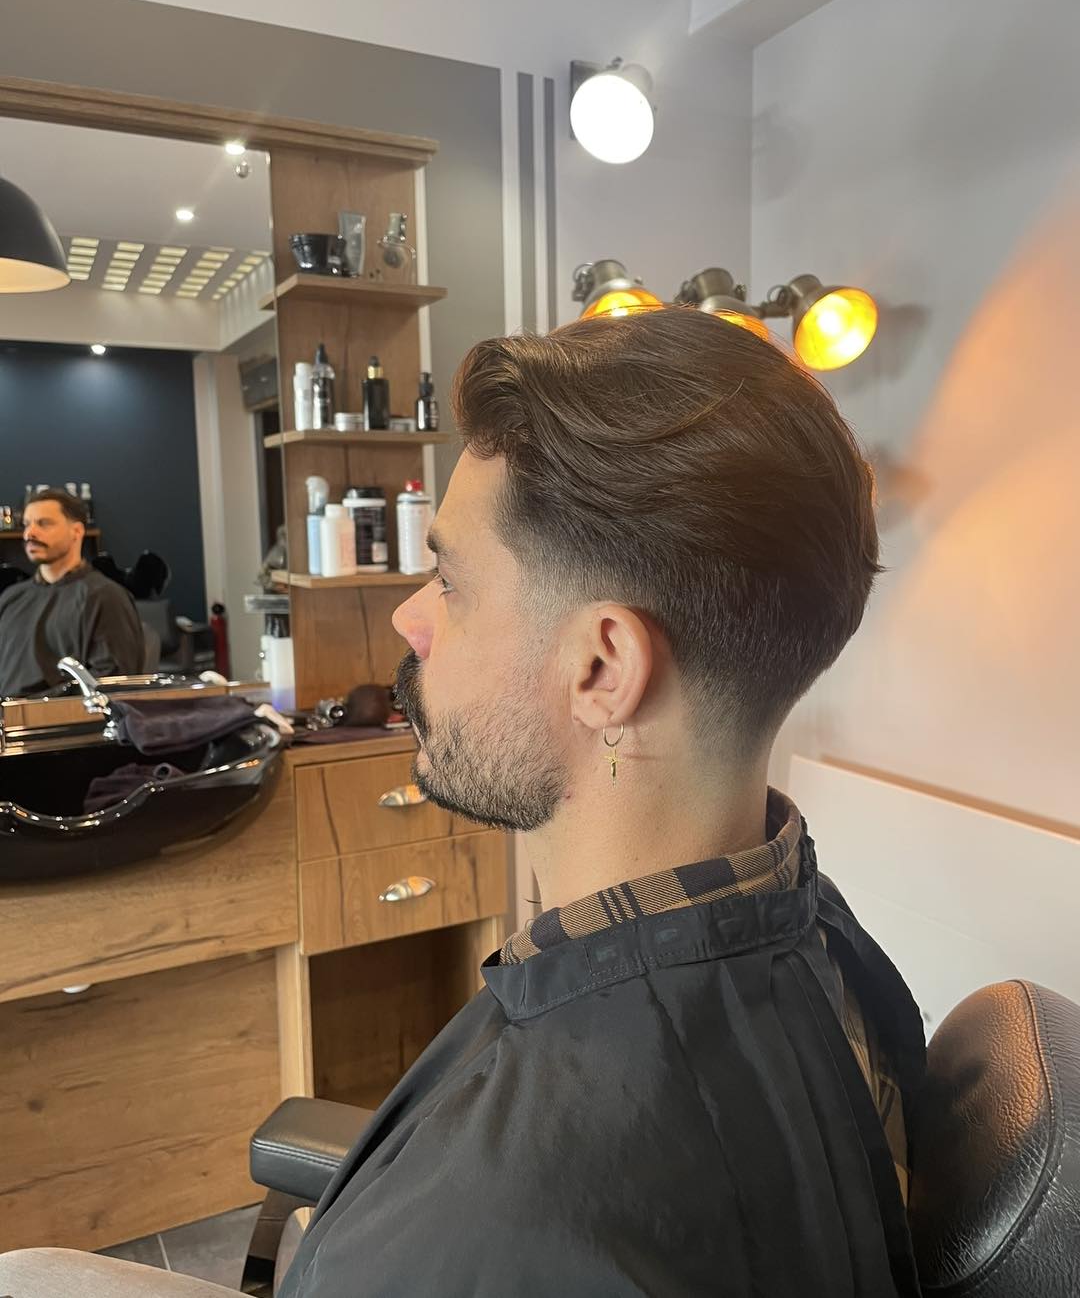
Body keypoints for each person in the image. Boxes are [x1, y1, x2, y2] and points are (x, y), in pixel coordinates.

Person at [0, 310, 925, 1297]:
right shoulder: (840, 954)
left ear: (602, 667)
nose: (410, 615)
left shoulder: (510, 1217)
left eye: (449, 580)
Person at [0, 487, 144, 696]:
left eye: (43, 523)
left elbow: (112, 685)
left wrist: (29, 707)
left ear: (76, 531)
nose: (29, 533)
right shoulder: (11, 598)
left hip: (63, 716)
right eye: (27, 524)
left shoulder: (105, 597)